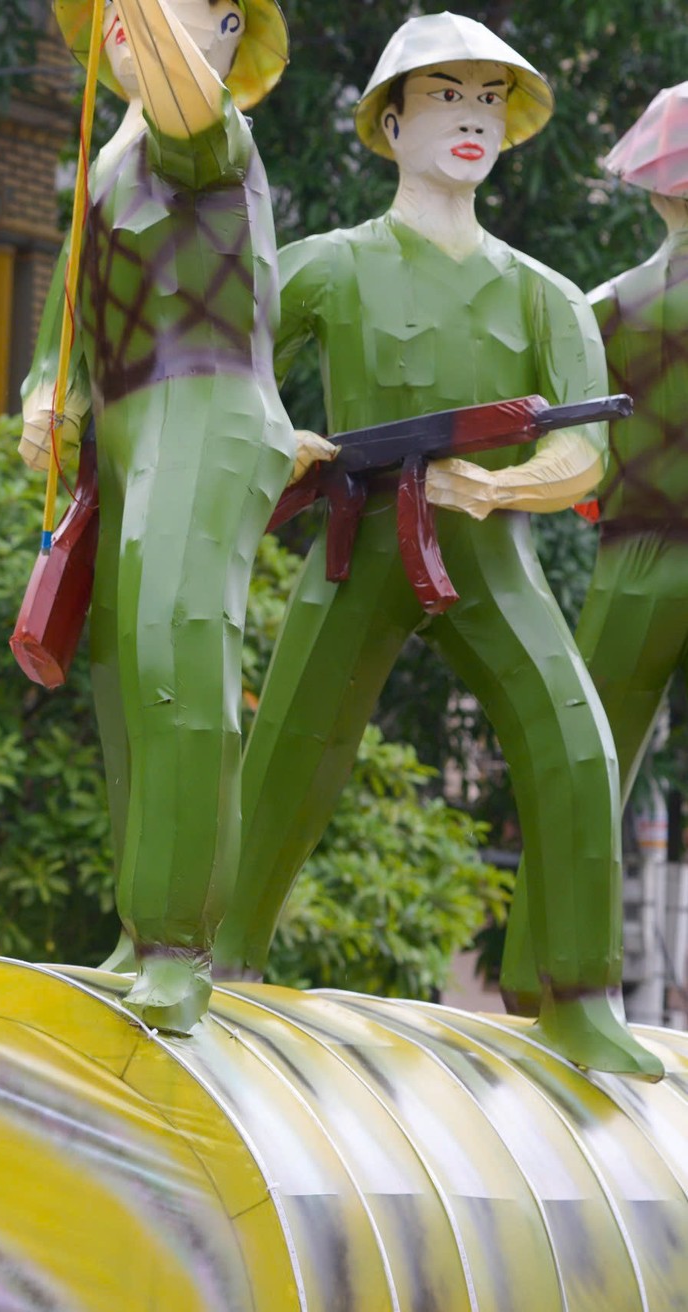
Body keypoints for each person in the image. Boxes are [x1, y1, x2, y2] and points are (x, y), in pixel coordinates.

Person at [209, 13, 660, 1077]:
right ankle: (222, 958)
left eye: (488, 102)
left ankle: (577, 991)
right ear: (392, 119)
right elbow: (227, 362)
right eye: (446, 98)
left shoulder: (543, 293)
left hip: (485, 551)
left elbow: (587, 453)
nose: (470, 121)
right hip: (358, 538)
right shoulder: (328, 267)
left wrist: (501, 483)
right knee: (286, 750)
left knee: (576, 737)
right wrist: (283, 441)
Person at [21, 0, 298, 1032]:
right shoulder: (105, 163)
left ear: (228, 30)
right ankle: (141, 929)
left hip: (208, 404)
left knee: (175, 655)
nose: (136, 22)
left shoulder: (208, 134)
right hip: (126, 428)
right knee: (118, 673)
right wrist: (47, 396)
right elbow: (67, 307)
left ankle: (185, 941)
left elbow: (187, 97)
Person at [501, 82, 688, 1012]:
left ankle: (535, 977)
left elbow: (573, 453)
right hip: (642, 542)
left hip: (634, 554)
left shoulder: (602, 308)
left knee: (588, 762)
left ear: (653, 190)